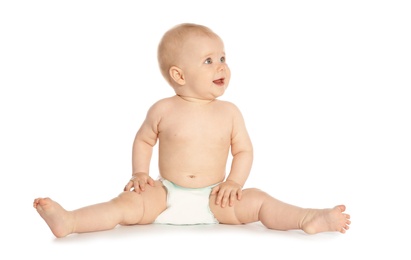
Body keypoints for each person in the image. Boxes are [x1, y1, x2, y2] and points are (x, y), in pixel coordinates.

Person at [33, 23, 351, 238]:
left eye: (223, 58)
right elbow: (144, 140)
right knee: (124, 206)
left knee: (259, 201)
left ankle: (307, 218)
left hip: (217, 196)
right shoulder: (163, 109)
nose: (222, 66)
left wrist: (234, 182)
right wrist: (140, 174)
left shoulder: (229, 112)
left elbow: (244, 151)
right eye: (209, 60)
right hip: (165, 193)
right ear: (179, 75)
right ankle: (71, 221)